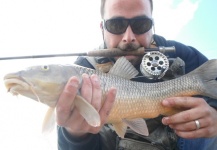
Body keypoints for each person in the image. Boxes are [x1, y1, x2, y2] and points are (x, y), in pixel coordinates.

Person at [56, 0, 217, 149]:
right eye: (116, 25)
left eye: (141, 24)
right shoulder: (83, 69)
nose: (128, 37)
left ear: (152, 26)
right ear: (102, 28)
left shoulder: (180, 54)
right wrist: (75, 134)